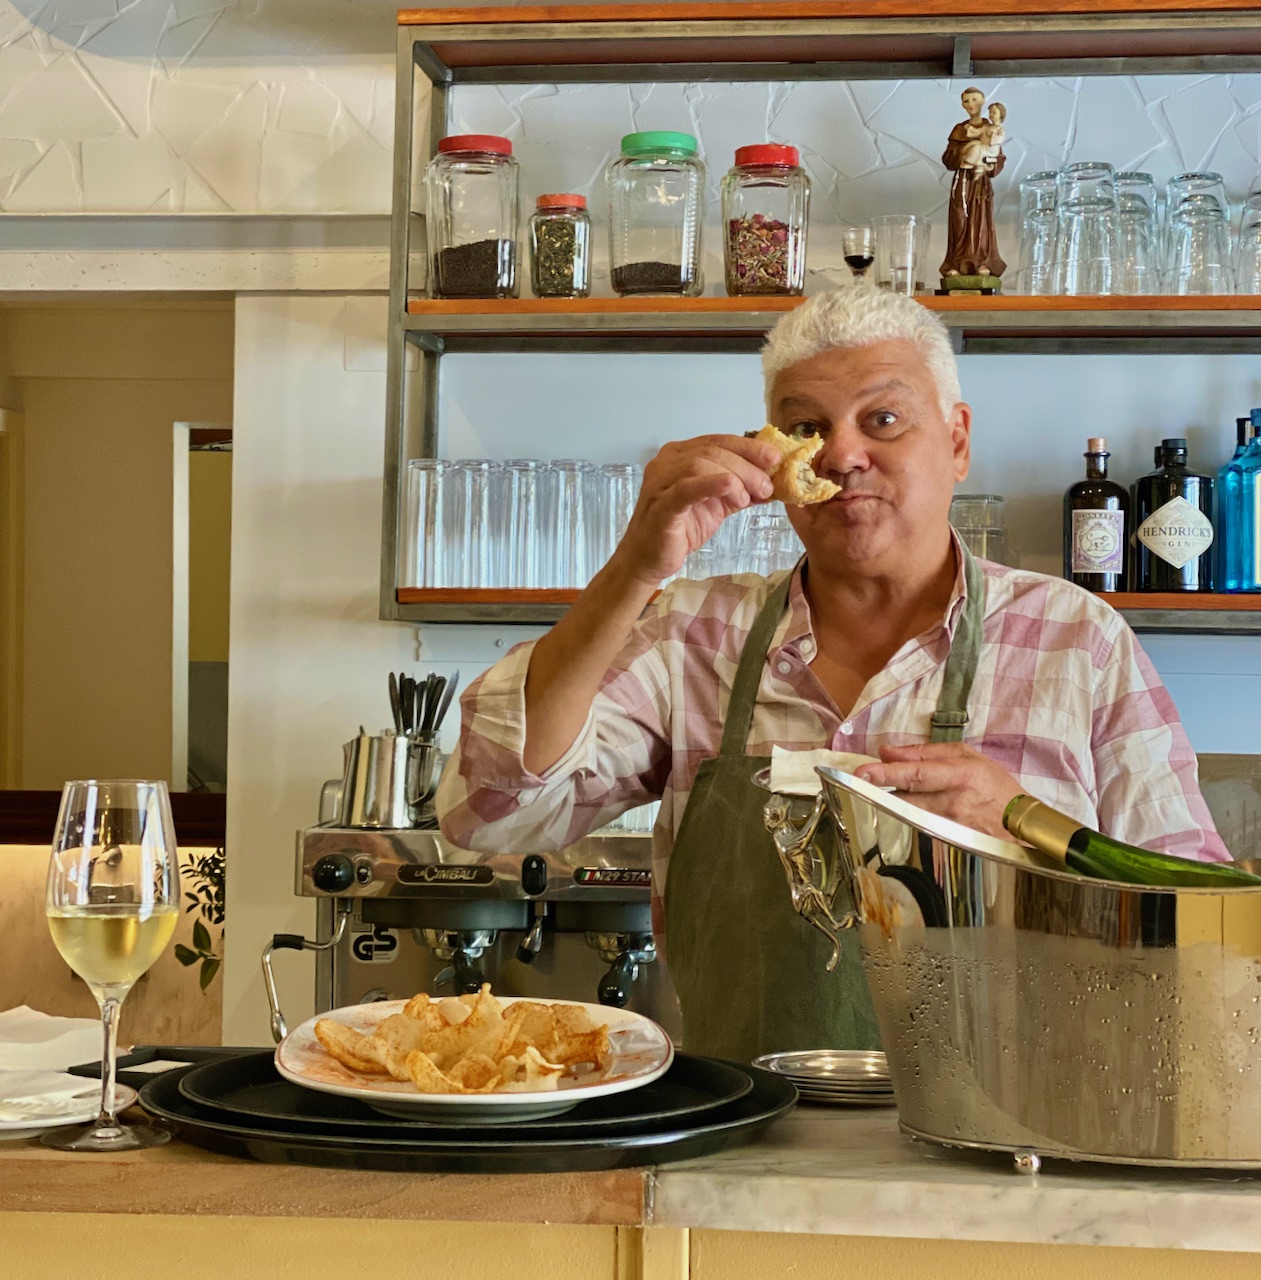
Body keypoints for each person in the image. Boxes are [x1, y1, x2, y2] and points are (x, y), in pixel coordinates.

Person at [436, 287, 1227, 1061]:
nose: (842, 455)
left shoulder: (1072, 641)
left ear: (956, 441)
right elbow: (490, 813)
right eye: (805, 428)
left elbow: (1202, 934)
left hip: (1014, 1146)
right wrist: (633, 569)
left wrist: (1025, 833)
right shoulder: (694, 634)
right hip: (744, 1143)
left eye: (881, 420)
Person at [941, 86, 1007, 277]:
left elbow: (999, 157)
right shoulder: (960, 130)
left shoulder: (991, 128)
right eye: (967, 100)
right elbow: (948, 158)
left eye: (975, 99)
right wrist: (962, 153)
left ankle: (982, 262)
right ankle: (957, 262)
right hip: (962, 177)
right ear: (962, 104)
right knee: (959, 217)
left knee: (980, 221)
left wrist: (988, 163)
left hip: (980, 181)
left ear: (984, 101)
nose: (971, 104)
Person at [958, 101, 1006, 171]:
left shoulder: (1000, 130)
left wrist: (992, 135)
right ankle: (966, 157)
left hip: (991, 150)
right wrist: (970, 128)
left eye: (994, 112)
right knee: (971, 145)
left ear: (1001, 114)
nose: (991, 114)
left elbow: (1000, 139)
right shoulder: (987, 126)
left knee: (977, 148)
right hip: (983, 145)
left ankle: (969, 162)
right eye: (990, 112)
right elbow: (978, 131)